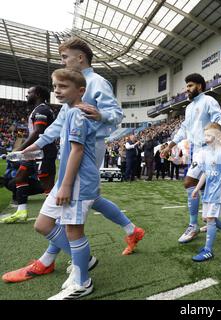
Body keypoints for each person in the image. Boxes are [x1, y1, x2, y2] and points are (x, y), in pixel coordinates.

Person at [7, 37, 145, 285]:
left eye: (64, 57)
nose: (62, 62)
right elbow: (57, 126)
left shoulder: (96, 82)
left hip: (88, 148)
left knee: (70, 201)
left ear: (80, 57)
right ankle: (130, 230)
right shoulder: (69, 88)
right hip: (73, 148)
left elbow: (116, 115)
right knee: (88, 199)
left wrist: (101, 113)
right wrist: (33, 147)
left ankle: (52, 260)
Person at [3, 69, 97, 298]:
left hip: (77, 181)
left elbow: (77, 150)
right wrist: (25, 151)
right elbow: (48, 135)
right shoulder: (66, 111)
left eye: (63, 86)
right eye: (55, 87)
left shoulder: (78, 113)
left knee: (73, 230)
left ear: (81, 90)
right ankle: (84, 260)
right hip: (67, 179)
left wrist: (64, 185)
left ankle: (83, 281)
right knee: (43, 224)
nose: (57, 91)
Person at [160, 73, 221, 244]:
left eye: (190, 86)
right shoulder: (189, 108)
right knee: (203, 188)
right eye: (186, 86)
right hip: (196, 150)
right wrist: (170, 146)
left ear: (200, 86)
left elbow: (219, 119)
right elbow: (183, 130)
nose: (187, 89)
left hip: (208, 150)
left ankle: (193, 225)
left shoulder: (209, 101)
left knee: (189, 183)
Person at [1, 86, 57, 223]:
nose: (27, 96)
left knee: (46, 185)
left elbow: (38, 131)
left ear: (37, 94)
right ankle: (21, 211)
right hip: (33, 152)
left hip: (43, 151)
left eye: (29, 93)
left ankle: (57, 215)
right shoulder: (37, 110)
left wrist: (20, 149)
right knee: (20, 177)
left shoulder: (42, 109)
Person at [191, 123, 221, 262]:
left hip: (218, 192)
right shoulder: (205, 152)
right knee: (207, 218)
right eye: (205, 134)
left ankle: (208, 250)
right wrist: (197, 188)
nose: (206, 137)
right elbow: (205, 173)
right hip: (208, 191)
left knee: (210, 219)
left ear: (218, 136)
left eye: (209, 135)